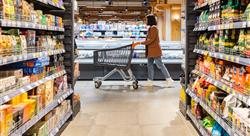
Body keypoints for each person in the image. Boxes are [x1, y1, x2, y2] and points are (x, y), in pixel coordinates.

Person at [132, 14, 174, 87]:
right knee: (150, 65)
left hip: (155, 51)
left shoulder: (154, 28)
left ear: (150, 20)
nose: (146, 21)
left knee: (160, 65)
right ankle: (150, 81)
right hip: (150, 51)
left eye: (147, 19)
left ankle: (169, 80)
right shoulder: (150, 28)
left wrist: (139, 43)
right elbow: (149, 40)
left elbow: (151, 40)